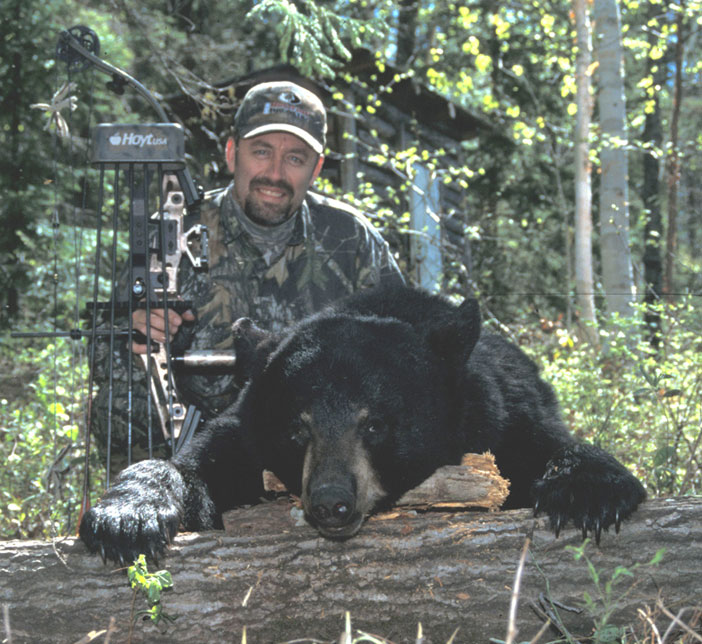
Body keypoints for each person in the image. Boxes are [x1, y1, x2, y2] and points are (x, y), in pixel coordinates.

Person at [90, 79, 404, 465]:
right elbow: (103, 361)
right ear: (231, 153)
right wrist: (136, 335)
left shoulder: (351, 238)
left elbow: (404, 355)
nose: (274, 173)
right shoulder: (171, 231)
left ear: (316, 168)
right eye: (261, 151)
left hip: (317, 457)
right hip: (192, 451)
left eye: (295, 158)